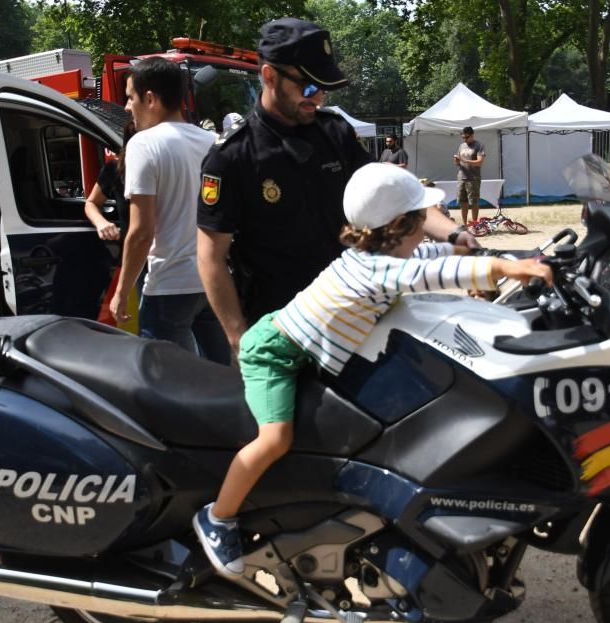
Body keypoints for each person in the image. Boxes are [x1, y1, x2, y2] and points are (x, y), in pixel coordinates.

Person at [192, 164, 552, 577]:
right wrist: (509, 270)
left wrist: (480, 249)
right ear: (399, 225)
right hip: (273, 354)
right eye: (422, 225)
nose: (426, 234)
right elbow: (431, 273)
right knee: (274, 439)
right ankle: (219, 518)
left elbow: (435, 256)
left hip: (293, 338)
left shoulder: (379, 254)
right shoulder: (380, 270)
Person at [197, 17, 476, 357]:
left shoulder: (334, 133)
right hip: (283, 330)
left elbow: (400, 196)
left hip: (355, 315)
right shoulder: (232, 157)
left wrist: (456, 236)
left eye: (323, 88)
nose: (318, 98)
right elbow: (211, 258)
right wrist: (239, 339)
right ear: (270, 76)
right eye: (309, 87)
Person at [109, 58, 230, 365]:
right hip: (212, 281)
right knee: (220, 374)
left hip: (169, 286)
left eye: (130, 97)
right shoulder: (213, 143)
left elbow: (141, 232)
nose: (126, 107)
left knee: (171, 382)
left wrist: (122, 291)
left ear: (150, 98)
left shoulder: (143, 145)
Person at [84, 121, 136, 242]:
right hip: (132, 254)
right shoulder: (114, 170)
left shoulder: (167, 168)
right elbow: (91, 203)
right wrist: (101, 222)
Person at [454, 126, 486, 225]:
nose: (465, 139)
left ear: (472, 135)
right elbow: (458, 164)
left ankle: (475, 224)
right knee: (463, 202)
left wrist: (465, 160)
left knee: (474, 202)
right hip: (461, 176)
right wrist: (457, 161)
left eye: (467, 137)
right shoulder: (461, 146)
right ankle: (464, 224)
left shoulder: (479, 145)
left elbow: (480, 162)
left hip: (473, 178)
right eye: (463, 137)